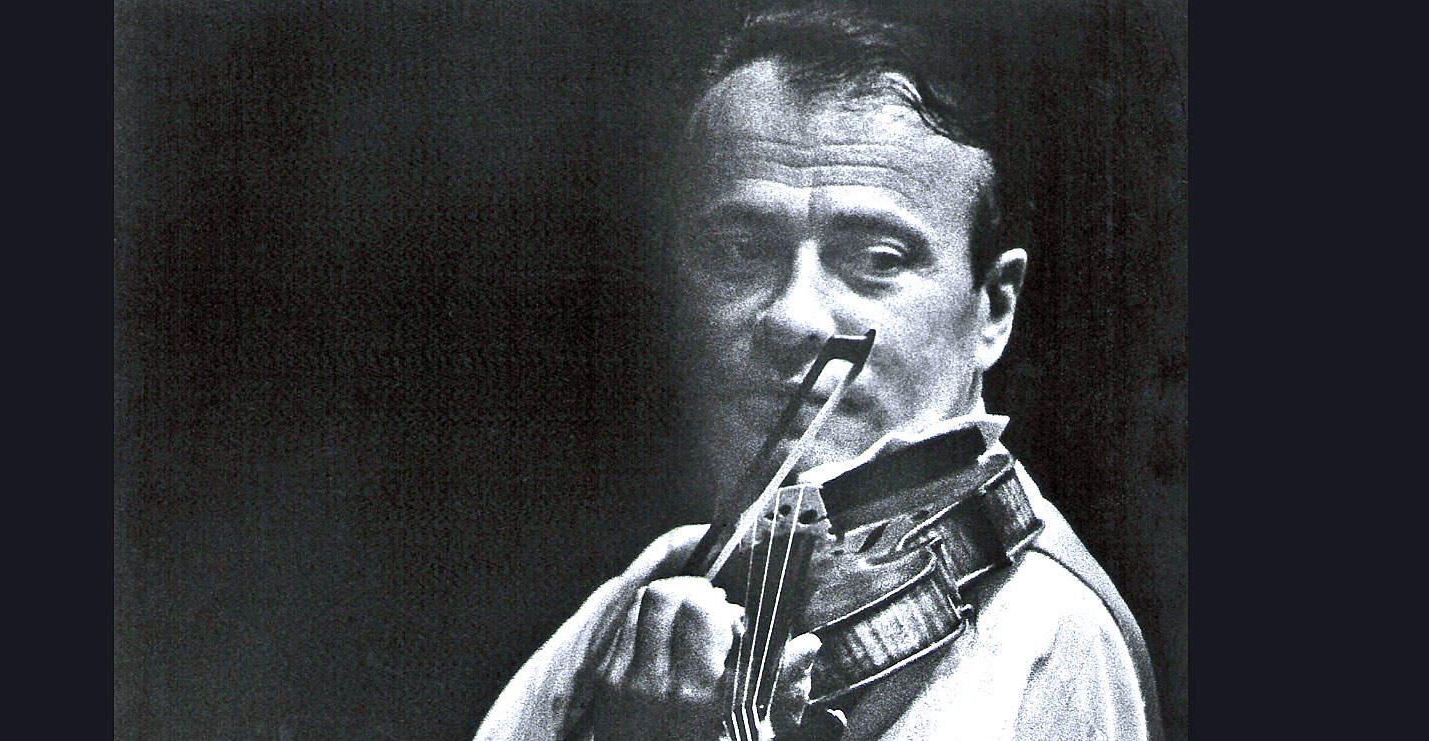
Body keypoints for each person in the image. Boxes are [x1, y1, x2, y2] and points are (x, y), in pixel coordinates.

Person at [477, 4, 1162, 739]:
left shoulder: (1049, 632)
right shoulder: (661, 588)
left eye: (876, 259)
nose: (794, 316)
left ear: (993, 308)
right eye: (741, 250)